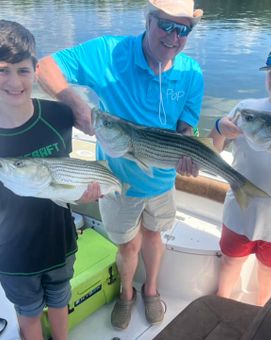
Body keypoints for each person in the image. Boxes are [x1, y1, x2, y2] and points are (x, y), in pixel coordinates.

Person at [37, 0, 204, 330]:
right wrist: (75, 103)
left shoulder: (192, 73)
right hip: (115, 180)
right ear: (147, 19)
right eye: (166, 24)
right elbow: (44, 67)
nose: (174, 36)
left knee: (154, 236)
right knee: (127, 244)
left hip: (161, 182)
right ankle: (126, 293)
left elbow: (186, 129)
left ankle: (150, 288)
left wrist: (190, 152)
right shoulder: (108, 53)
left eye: (183, 28)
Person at [0, 20, 101, 340]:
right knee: (27, 313)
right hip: (11, 254)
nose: (14, 81)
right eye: (2, 70)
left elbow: (66, 173)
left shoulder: (59, 116)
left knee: (60, 301)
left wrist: (83, 194)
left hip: (60, 240)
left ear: (35, 70)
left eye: (23, 70)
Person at [209, 42, 271, 306]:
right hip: (238, 213)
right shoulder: (246, 109)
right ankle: (221, 304)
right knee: (231, 261)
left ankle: (262, 310)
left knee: (269, 269)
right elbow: (214, 150)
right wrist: (219, 127)